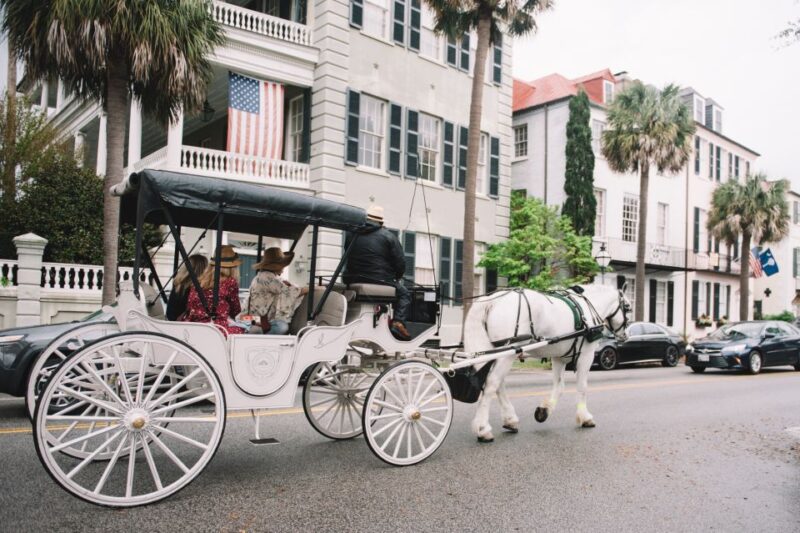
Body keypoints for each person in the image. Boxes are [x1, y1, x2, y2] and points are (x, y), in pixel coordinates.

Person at [343, 205, 412, 340]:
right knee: (404, 294)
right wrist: (396, 278)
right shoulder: (388, 236)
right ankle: (398, 322)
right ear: (381, 222)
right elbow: (400, 263)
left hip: (352, 279)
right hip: (379, 279)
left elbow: (348, 255)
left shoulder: (351, 234)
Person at [182, 245, 245, 335]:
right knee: (244, 328)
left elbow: (189, 306)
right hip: (216, 330)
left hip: (193, 327)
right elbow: (235, 311)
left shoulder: (199, 281)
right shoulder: (230, 282)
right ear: (233, 267)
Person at [248, 247, 308, 335]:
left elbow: (286, 288)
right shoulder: (268, 278)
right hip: (258, 319)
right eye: (282, 266)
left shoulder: (264, 276)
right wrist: (312, 288)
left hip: (256, 317)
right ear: (276, 266)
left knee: (281, 325)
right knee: (282, 327)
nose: (283, 269)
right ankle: (263, 338)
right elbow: (291, 292)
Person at [166, 254, 208, 321]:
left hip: (175, 323)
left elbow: (170, 314)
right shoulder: (203, 289)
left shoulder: (179, 286)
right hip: (192, 324)